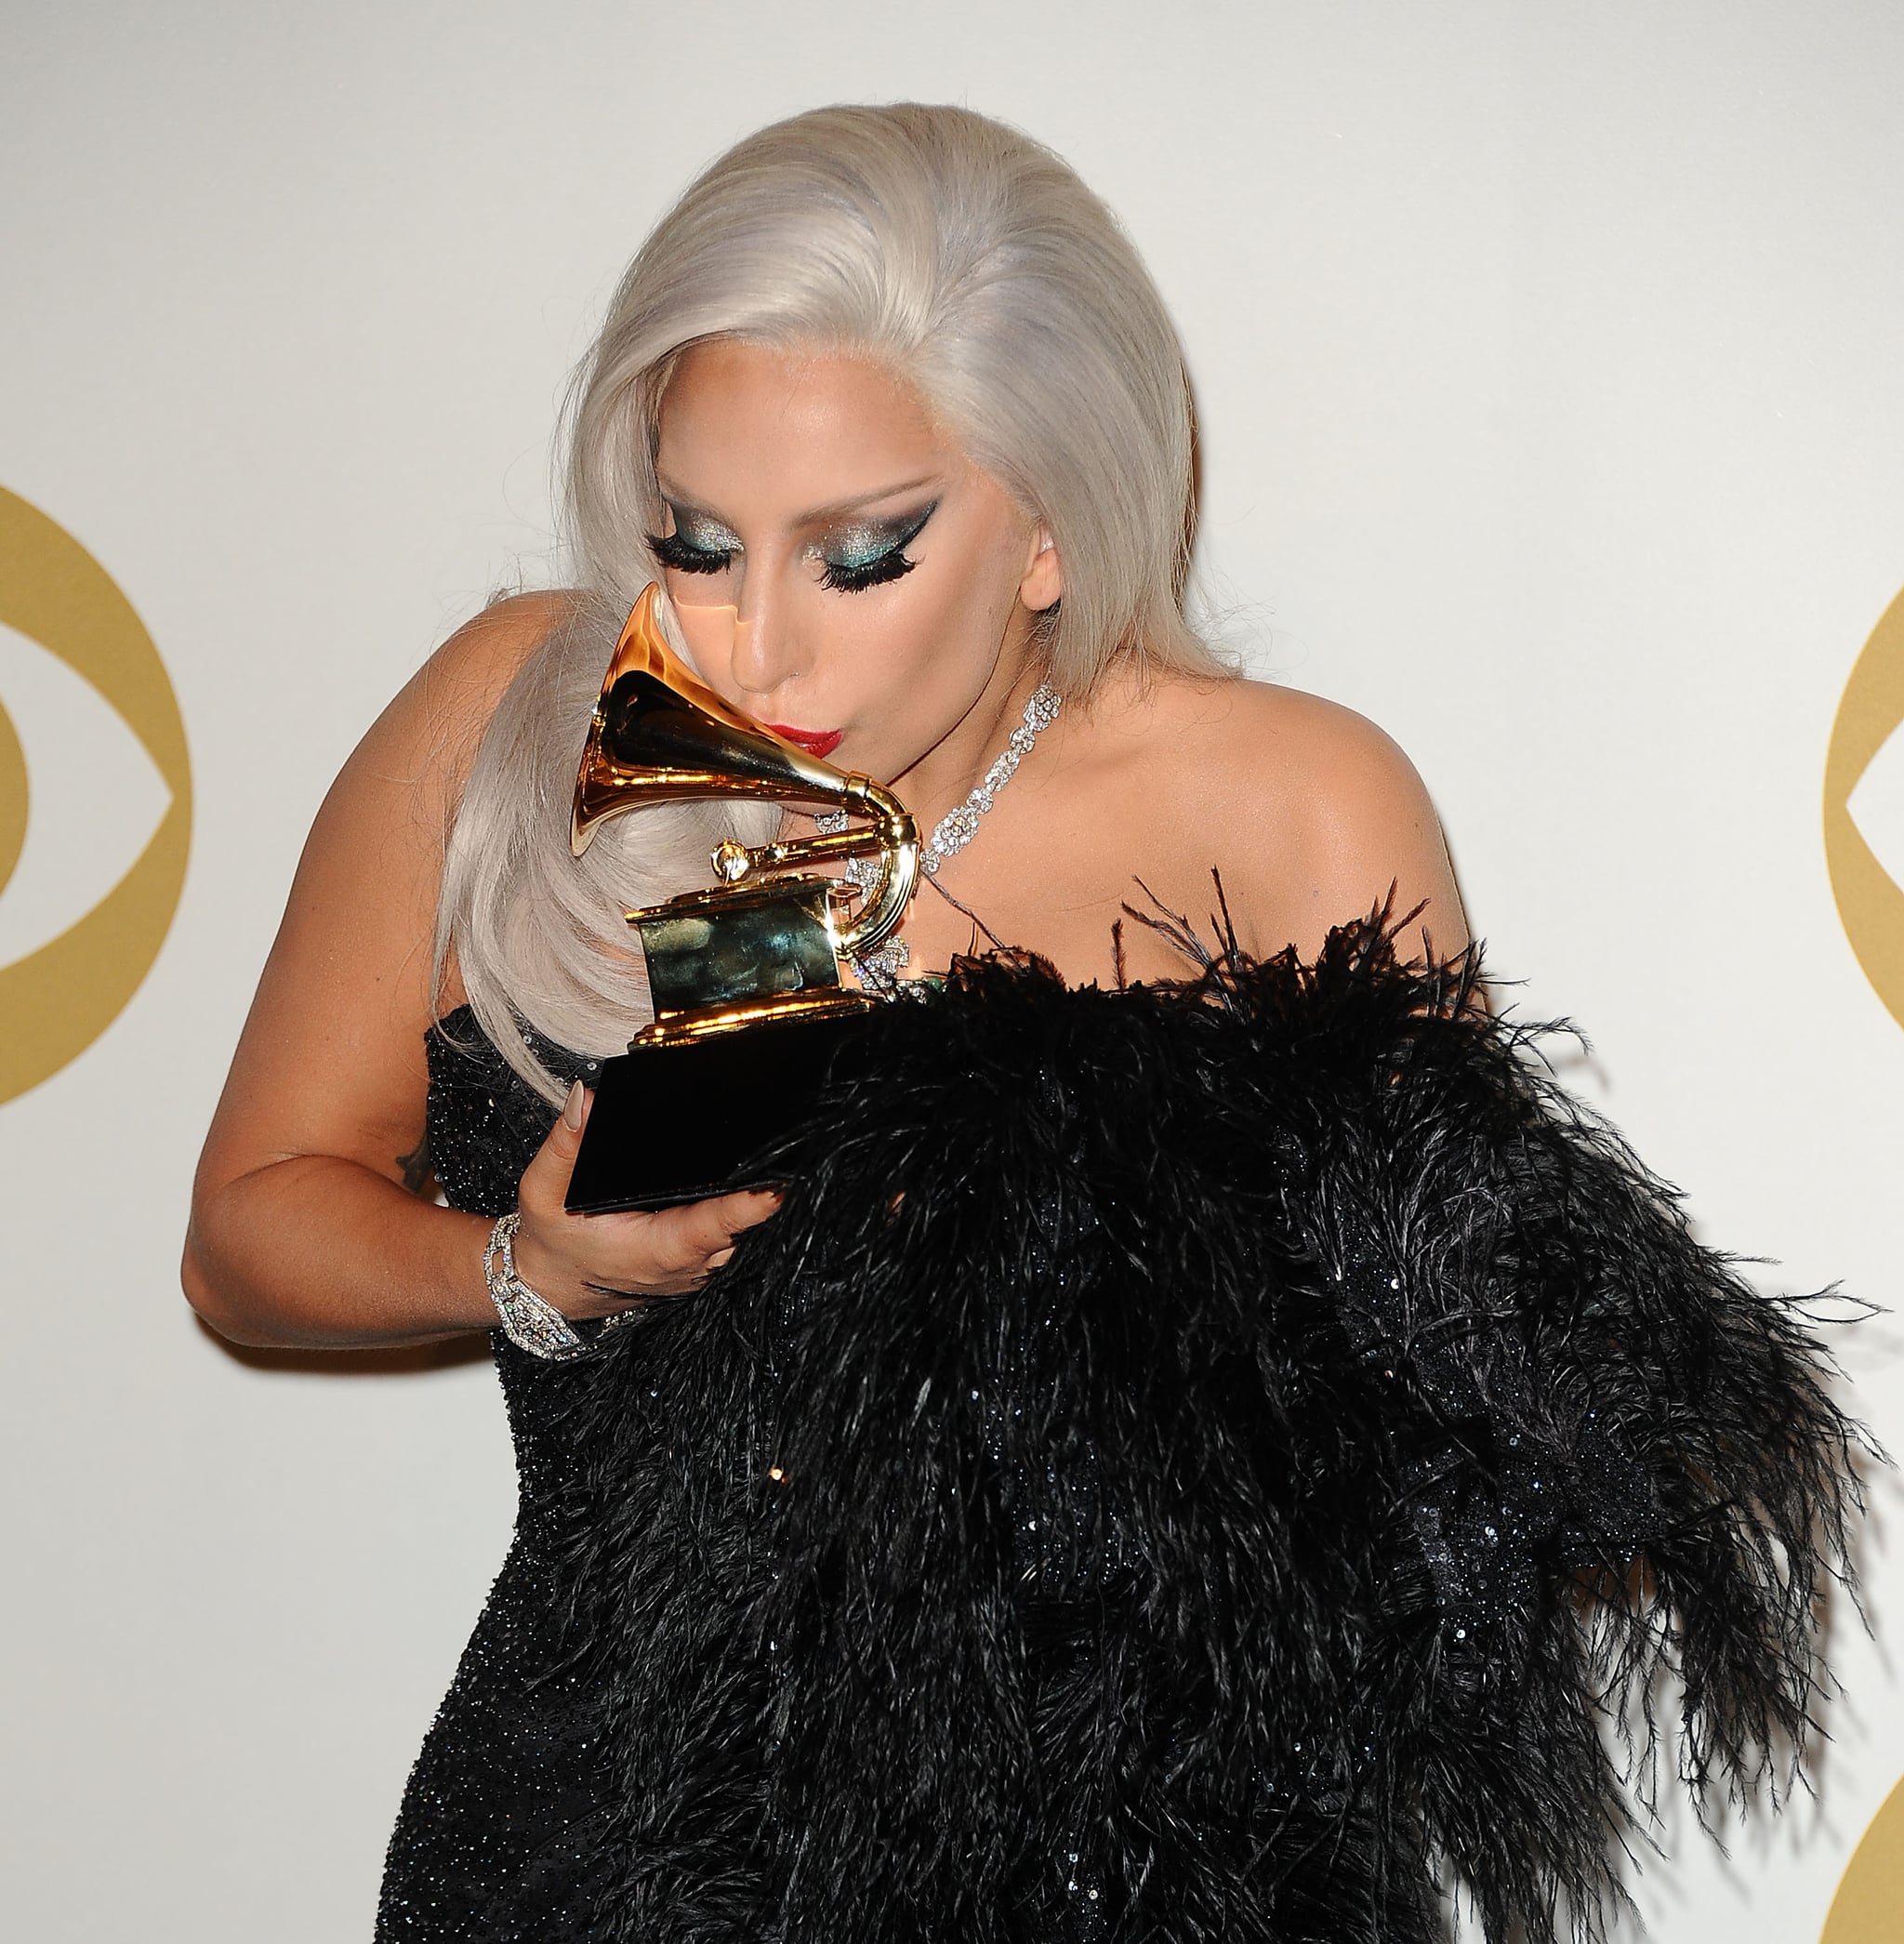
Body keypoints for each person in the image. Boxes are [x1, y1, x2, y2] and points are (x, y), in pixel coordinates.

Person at [184, 105, 1862, 1943]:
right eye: (696, 538)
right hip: (598, 1857)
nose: (752, 645)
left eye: (859, 555)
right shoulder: (536, 717)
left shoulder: (1284, 806)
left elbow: (1481, 1451)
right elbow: (251, 1231)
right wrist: (526, 1263)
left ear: (1049, 528)